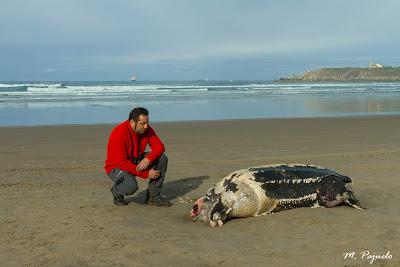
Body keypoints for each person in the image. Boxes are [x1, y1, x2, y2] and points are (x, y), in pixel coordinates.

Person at [104, 107, 172, 207]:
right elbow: (122, 163)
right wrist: (145, 174)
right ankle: (116, 191)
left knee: (162, 158)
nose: (146, 126)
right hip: (116, 166)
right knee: (130, 187)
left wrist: (148, 159)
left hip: (135, 159)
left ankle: (153, 198)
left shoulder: (146, 129)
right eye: (143, 123)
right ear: (132, 122)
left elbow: (159, 147)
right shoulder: (119, 133)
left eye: (147, 122)